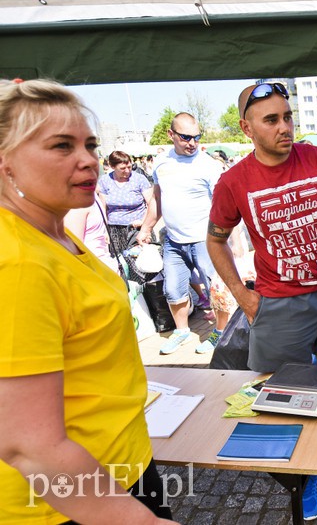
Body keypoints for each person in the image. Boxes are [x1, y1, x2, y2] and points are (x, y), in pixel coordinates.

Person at [206, 82, 317, 521]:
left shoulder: (316, 158)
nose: (285, 127)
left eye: (287, 116)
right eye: (272, 120)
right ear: (247, 128)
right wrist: (243, 296)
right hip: (277, 305)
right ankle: (299, 471)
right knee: (280, 392)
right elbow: (215, 242)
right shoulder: (233, 182)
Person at [0, 78, 175, 523]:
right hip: (66, 505)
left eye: (90, 144)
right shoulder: (18, 261)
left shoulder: (53, 235)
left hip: (118, 467)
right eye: (61, 146)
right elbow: (28, 446)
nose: (87, 160)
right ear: (5, 162)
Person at [136, 112, 228, 355]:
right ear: (171, 135)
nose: (192, 143)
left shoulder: (208, 165)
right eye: (186, 137)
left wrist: (231, 240)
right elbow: (157, 199)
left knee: (216, 289)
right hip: (173, 241)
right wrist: (146, 227)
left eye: (197, 137)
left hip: (205, 240)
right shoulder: (161, 164)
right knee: (173, 289)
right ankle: (182, 331)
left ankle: (220, 332)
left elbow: (223, 205)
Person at [97, 149, 154, 283]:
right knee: (123, 264)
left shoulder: (138, 179)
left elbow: (151, 202)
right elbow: (103, 207)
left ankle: (152, 295)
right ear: (112, 167)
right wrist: (104, 230)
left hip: (137, 229)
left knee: (143, 265)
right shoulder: (105, 181)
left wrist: (144, 222)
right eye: (122, 168)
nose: (127, 171)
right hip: (115, 230)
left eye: (129, 166)